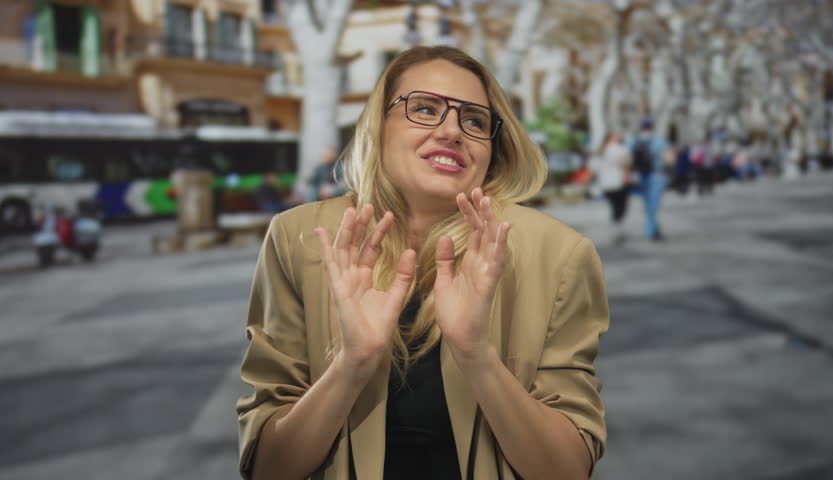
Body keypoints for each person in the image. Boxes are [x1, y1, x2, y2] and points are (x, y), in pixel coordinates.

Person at [237, 46, 609, 480]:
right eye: (425, 108)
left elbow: (567, 471)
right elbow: (269, 468)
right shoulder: (298, 238)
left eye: (474, 120)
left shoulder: (560, 254)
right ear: (380, 124)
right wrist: (353, 362)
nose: (452, 130)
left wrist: (478, 356)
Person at [630, 119, 669, 241]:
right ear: (652, 128)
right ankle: (650, 230)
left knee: (647, 204)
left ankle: (652, 227)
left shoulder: (633, 141)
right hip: (656, 176)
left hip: (641, 176)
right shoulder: (660, 142)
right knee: (654, 204)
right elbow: (669, 159)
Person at [592, 132, 632, 245]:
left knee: (614, 205)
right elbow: (626, 165)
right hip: (619, 182)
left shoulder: (600, 152)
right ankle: (618, 227)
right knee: (621, 206)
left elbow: (594, 168)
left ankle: (615, 227)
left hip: (606, 183)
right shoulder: (620, 149)